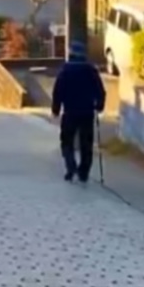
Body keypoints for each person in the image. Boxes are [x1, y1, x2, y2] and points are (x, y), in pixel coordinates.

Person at [51, 41, 106, 182]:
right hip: (87, 112)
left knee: (66, 141)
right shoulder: (91, 70)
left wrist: (55, 109)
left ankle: (71, 167)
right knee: (86, 144)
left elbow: (58, 92)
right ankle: (84, 172)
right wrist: (99, 105)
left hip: (69, 112)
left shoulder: (65, 71)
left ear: (71, 54)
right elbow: (100, 91)